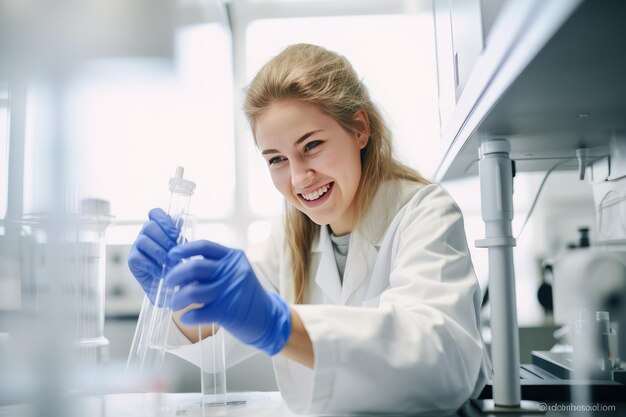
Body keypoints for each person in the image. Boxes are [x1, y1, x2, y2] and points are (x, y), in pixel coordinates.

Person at [128, 43, 491, 415]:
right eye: (276, 159)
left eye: (312, 145)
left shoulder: (424, 213)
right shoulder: (288, 239)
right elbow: (217, 346)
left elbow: (440, 359)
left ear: (360, 129)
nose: (299, 177)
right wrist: (180, 294)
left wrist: (279, 323)